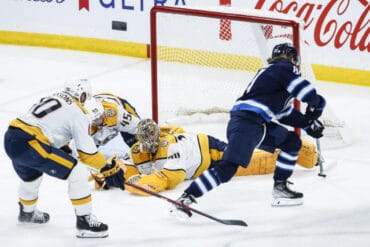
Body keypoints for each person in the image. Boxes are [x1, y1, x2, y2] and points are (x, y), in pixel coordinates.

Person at [170, 42, 326, 217]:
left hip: (256, 125)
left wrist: (307, 124)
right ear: (292, 59)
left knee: (291, 142)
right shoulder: (283, 68)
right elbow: (307, 92)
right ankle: (186, 198)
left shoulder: (273, 79)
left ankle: (281, 189)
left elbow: (284, 114)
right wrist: (318, 105)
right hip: (247, 124)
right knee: (227, 168)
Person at [3, 79, 125, 238]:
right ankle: (85, 223)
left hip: (12, 138)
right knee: (78, 172)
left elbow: (51, 130)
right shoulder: (78, 112)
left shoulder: (56, 97)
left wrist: (65, 151)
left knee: (31, 176)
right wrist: (107, 168)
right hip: (32, 144)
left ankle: (27, 213)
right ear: (82, 95)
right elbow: (87, 154)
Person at [89, 118, 317, 195]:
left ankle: (302, 152)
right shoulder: (138, 150)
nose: (148, 149)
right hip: (196, 158)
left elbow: (170, 179)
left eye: (152, 144)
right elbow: (128, 168)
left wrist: (136, 185)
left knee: (254, 164)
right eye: (144, 144)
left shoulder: (170, 146)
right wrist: (109, 176)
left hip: (209, 152)